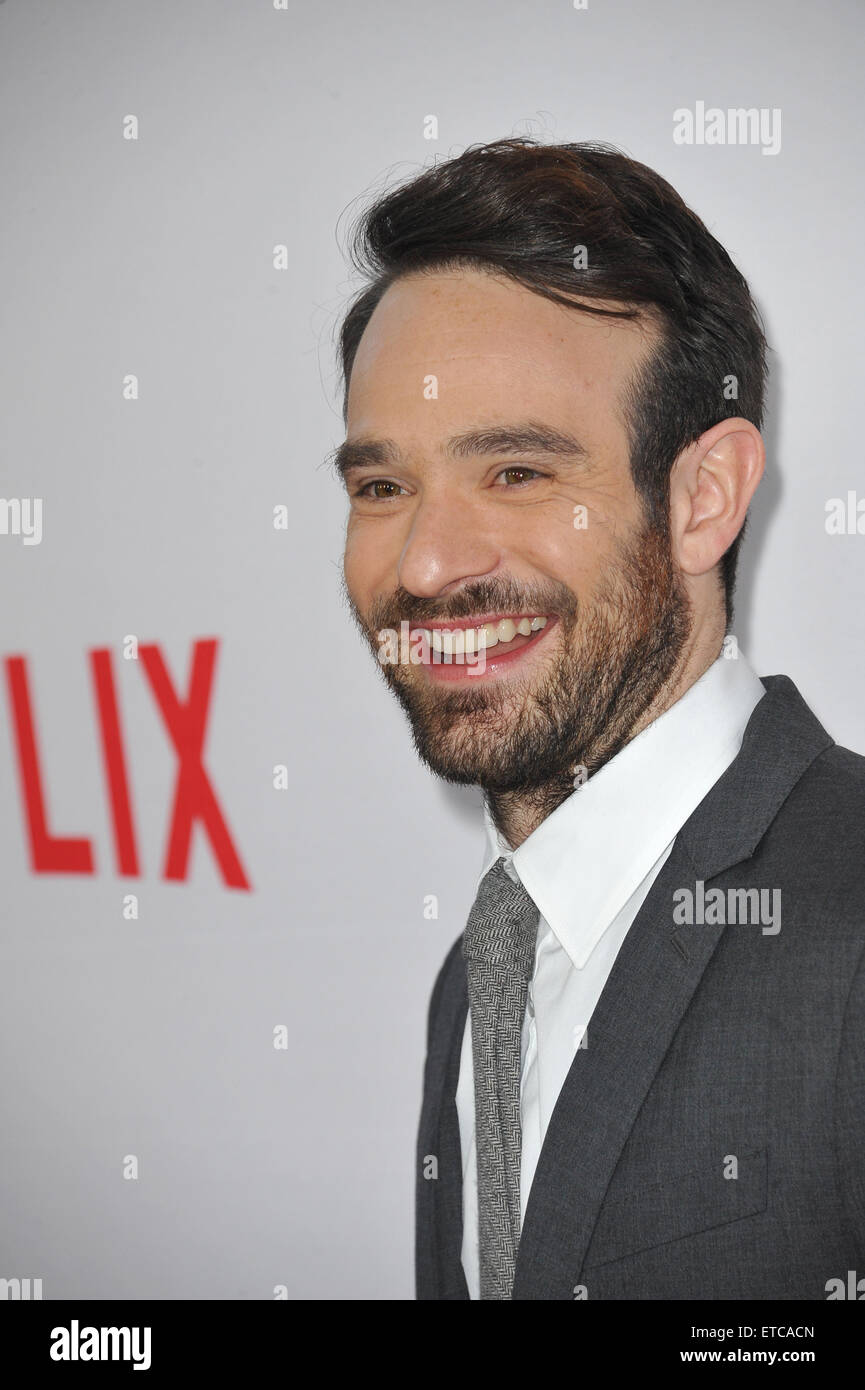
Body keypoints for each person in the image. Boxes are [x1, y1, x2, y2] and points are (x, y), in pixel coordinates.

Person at [331, 138, 865, 1300]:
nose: (424, 563)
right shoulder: (480, 967)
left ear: (702, 497)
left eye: (517, 471)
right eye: (381, 486)